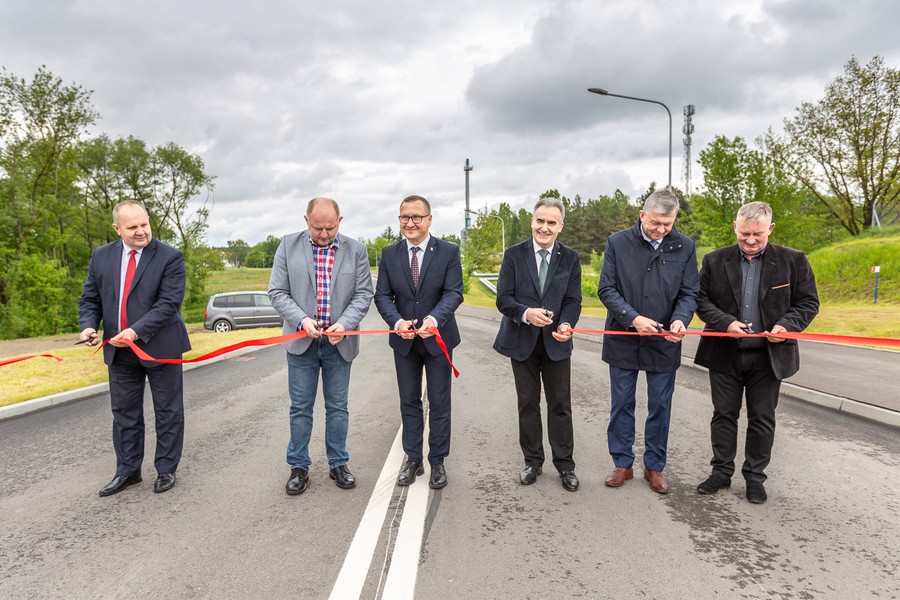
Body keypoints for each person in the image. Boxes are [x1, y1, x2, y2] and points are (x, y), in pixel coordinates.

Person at [694, 201, 819, 504]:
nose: (750, 241)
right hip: (725, 353)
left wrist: (786, 327)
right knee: (723, 415)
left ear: (770, 229)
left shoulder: (794, 261)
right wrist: (725, 322)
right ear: (734, 228)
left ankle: (755, 477)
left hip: (769, 357)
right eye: (744, 234)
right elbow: (700, 300)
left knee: (762, 418)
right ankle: (721, 473)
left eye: (758, 235)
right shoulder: (713, 261)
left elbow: (808, 303)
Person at [78, 200, 191, 497]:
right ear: (117, 228)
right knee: (124, 414)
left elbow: (168, 304)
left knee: (168, 411)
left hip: (160, 346)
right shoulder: (101, 256)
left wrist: (135, 331)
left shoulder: (170, 257)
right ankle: (127, 471)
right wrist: (88, 326)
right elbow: (90, 299)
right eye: (133, 227)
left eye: (144, 224)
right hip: (119, 350)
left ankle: (166, 469)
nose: (141, 231)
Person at [269, 197, 373, 496]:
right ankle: (298, 467)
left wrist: (345, 323)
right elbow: (277, 291)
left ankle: (338, 463)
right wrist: (302, 320)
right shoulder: (287, 246)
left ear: (340, 221)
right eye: (318, 228)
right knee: (300, 408)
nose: (324, 234)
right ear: (306, 220)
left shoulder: (356, 250)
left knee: (338, 407)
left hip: (340, 344)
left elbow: (364, 294)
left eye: (330, 227)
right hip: (301, 342)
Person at [598, 188, 699, 494]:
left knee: (660, 406)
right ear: (642, 215)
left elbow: (689, 292)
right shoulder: (617, 243)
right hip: (624, 337)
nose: (661, 230)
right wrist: (633, 318)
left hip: (665, 341)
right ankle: (622, 463)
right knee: (622, 404)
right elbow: (607, 289)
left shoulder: (685, 246)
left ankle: (654, 467)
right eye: (655, 223)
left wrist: (681, 319)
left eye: (667, 224)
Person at [493, 197, 583, 492]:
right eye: (539, 221)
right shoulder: (514, 255)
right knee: (528, 403)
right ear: (532, 221)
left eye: (551, 223)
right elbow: (503, 299)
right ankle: (532, 461)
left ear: (561, 226)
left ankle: (565, 466)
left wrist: (567, 324)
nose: (544, 228)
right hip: (522, 342)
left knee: (560, 405)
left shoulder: (570, 258)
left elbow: (573, 300)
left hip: (557, 342)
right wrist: (526, 313)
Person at [374, 195, 463, 489]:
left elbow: (454, 292)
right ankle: (413, 459)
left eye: (416, 217)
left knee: (439, 403)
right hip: (404, 342)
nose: (409, 223)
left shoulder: (448, 251)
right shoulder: (389, 254)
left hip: (437, 339)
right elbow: (383, 295)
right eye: (404, 217)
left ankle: (438, 461)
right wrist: (397, 323)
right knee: (409, 402)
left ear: (429, 219)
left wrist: (434, 320)